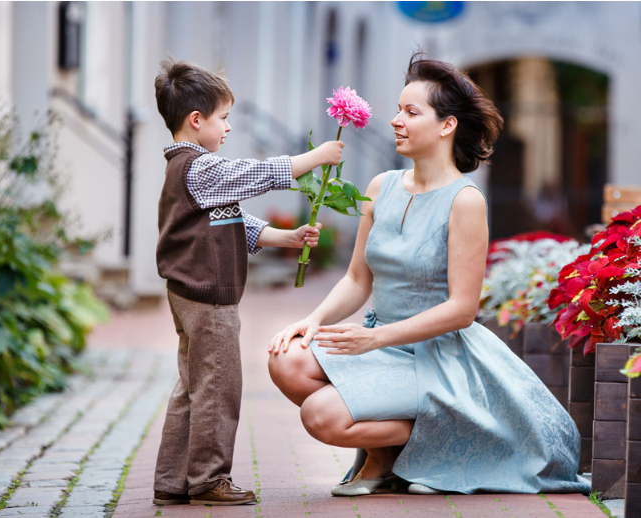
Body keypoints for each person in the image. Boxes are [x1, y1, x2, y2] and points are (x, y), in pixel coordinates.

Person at [267, 53, 590, 497]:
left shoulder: (465, 201)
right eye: (399, 109)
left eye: (411, 112)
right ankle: (387, 460)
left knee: (320, 416)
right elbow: (358, 280)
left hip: (439, 357)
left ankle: (440, 438)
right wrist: (315, 320)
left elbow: (462, 310)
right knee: (285, 361)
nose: (396, 121)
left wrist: (375, 339)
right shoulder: (380, 186)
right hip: (381, 343)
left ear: (446, 125)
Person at [152, 58, 343, 506]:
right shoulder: (198, 168)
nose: (229, 128)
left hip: (189, 293)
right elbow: (254, 176)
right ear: (196, 121)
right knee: (219, 386)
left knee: (193, 384)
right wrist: (314, 158)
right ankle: (208, 479)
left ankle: (173, 477)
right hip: (209, 298)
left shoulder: (191, 172)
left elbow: (234, 219)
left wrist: (287, 238)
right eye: (223, 118)